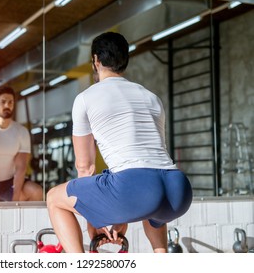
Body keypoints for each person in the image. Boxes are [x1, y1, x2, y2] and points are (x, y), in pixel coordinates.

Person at [47, 32, 193, 253]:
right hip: (177, 188)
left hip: (135, 188)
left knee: (54, 198)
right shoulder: (151, 97)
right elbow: (151, 165)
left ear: (96, 60)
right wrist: (120, 214)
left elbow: (85, 167)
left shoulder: (86, 98)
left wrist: (93, 218)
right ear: (125, 60)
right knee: (154, 212)